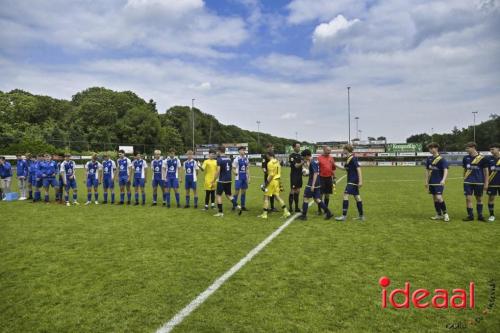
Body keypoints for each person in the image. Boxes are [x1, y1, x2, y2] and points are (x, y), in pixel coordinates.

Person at [298, 149, 333, 221]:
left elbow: (315, 173)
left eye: (304, 157)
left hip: (312, 183)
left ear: (307, 156)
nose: (304, 158)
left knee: (306, 198)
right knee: (317, 199)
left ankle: (304, 216)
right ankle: (328, 212)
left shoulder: (313, 162)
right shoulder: (314, 160)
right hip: (317, 182)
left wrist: (313, 185)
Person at [335, 145, 365, 221]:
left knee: (345, 194)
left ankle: (343, 216)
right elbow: (344, 169)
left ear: (346, 150)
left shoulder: (352, 158)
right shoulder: (349, 158)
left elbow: (358, 169)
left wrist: (360, 181)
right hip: (352, 180)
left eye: (343, 149)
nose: (342, 150)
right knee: (357, 197)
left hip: (353, 180)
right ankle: (361, 216)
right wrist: (334, 164)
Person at [257, 151, 291, 219]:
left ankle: (264, 214)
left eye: (267, 155)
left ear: (269, 155)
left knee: (266, 196)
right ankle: (286, 211)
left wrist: (265, 183)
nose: (266, 157)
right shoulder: (277, 161)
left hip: (272, 181)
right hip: (277, 180)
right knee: (277, 197)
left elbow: (271, 175)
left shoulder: (270, 163)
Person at [462, 142, 489, 221]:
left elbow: (486, 171)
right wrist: (464, 178)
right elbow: (464, 169)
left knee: (479, 199)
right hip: (468, 182)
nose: (466, 150)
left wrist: (486, 183)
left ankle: (480, 215)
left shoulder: (483, 158)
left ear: (473, 147)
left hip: (479, 182)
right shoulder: (465, 158)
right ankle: (470, 216)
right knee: (468, 198)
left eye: (467, 148)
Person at [213, 147, 241, 217]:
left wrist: (213, 180)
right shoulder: (229, 159)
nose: (216, 153)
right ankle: (238, 206)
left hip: (221, 180)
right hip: (229, 179)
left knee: (218, 195)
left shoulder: (219, 159)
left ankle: (220, 212)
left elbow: (218, 171)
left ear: (219, 151)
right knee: (228, 195)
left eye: (217, 151)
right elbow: (231, 168)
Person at [425, 142, 450, 222]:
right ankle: (438, 214)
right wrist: (426, 181)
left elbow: (446, 170)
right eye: (429, 148)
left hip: (439, 182)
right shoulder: (429, 159)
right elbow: (427, 171)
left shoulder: (442, 159)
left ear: (436, 149)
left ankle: (446, 214)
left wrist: (443, 179)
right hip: (431, 182)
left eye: (431, 148)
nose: (430, 150)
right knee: (435, 199)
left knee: (439, 197)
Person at [318, 146, 336, 214]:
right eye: (328, 150)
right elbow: (316, 169)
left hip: (329, 178)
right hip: (321, 178)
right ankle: (319, 210)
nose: (329, 151)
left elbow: (333, 168)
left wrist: (334, 177)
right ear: (324, 150)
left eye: (330, 150)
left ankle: (326, 209)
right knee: (320, 194)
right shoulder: (319, 158)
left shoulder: (331, 158)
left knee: (327, 194)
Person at [233, 146, 250, 211]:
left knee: (244, 192)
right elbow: (233, 168)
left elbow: (247, 168)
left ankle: (243, 206)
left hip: (244, 178)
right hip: (238, 178)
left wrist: (249, 177)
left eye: (244, 150)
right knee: (236, 192)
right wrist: (235, 173)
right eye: (242, 150)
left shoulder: (246, 159)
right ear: (239, 151)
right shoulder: (236, 159)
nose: (243, 151)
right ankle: (234, 205)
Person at [288, 142, 303, 213]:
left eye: (299, 147)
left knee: (298, 191)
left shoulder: (300, 156)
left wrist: (304, 170)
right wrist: (303, 162)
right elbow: (296, 166)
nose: (299, 148)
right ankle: (290, 208)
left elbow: (301, 166)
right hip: (294, 176)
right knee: (292, 191)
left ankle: (296, 207)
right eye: (298, 147)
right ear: (294, 147)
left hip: (299, 176)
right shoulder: (291, 156)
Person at [486, 143, 499, 222]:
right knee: (491, 198)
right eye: (490, 149)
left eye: (493, 149)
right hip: (492, 183)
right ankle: (491, 215)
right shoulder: (488, 159)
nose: (491, 151)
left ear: (498, 149)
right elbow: (486, 171)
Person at [262, 143, 277, 212]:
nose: (272, 148)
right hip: (268, 176)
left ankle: (272, 207)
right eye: (270, 147)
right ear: (267, 148)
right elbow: (263, 167)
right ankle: (266, 208)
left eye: (272, 147)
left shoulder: (273, 155)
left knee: (273, 192)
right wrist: (266, 173)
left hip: (274, 176)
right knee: (267, 191)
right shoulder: (265, 156)